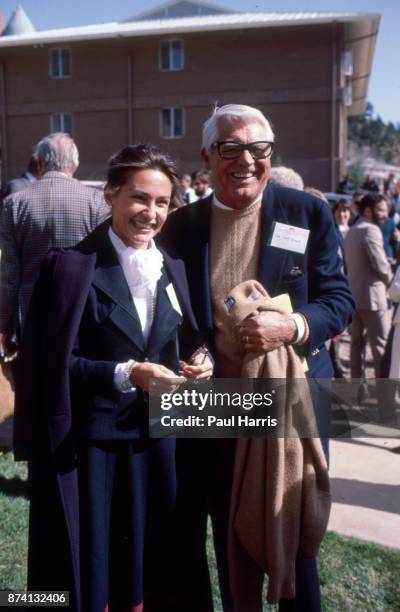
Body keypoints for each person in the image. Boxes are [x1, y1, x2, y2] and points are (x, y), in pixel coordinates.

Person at [160, 104, 354, 611]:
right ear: (208, 155)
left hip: (293, 399)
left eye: (258, 148)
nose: (245, 160)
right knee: (231, 530)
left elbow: (339, 300)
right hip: (218, 406)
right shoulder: (181, 226)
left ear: (271, 154)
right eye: (231, 148)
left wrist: (291, 326)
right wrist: (191, 349)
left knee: (293, 527)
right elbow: (169, 312)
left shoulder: (305, 212)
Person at [13, 144, 213, 612]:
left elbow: (184, 338)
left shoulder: (174, 267)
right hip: (94, 447)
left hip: (161, 443)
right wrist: (126, 374)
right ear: (110, 196)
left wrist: (199, 359)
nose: (151, 213)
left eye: (162, 203)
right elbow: (52, 365)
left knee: (155, 567)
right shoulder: (66, 268)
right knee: (94, 569)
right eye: (139, 198)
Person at [0, 132, 110, 359]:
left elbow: (9, 275)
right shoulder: (97, 202)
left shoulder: (14, 204)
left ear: (39, 163)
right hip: (82, 310)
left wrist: (4, 326)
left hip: (30, 314)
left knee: (34, 387)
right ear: (76, 164)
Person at [343, 193, 393, 421]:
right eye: (381, 210)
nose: (385, 214)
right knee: (381, 351)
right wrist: (393, 280)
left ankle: (357, 397)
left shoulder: (353, 230)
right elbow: (381, 266)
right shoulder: (370, 230)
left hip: (354, 297)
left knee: (356, 349)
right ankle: (385, 403)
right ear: (368, 210)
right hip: (373, 300)